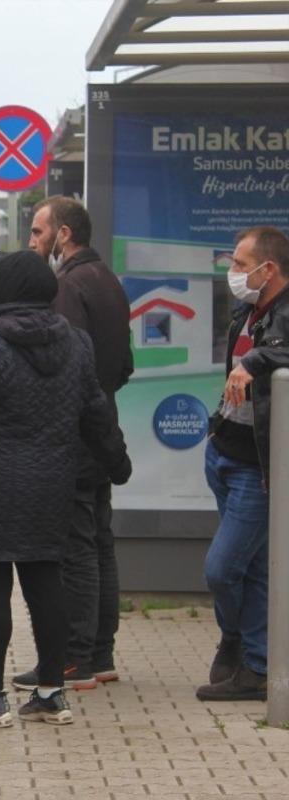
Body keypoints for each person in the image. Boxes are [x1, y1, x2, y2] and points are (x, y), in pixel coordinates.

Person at [0, 250, 131, 727]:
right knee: (45, 585)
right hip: (51, 485)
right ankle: (51, 693)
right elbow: (96, 413)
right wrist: (117, 464)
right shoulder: (77, 344)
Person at [18, 196, 133, 691]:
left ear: (64, 235)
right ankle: (101, 652)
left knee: (76, 547)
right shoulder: (107, 279)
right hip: (103, 425)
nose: (32, 241)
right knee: (99, 541)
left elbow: (66, 365)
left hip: (76, 434)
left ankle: (74, 658)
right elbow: (122, 366)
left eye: (39, 232)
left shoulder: (67, 285)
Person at [197, 226, 289, 703]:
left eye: (238, 263)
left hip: (258, 467)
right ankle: (256, 666)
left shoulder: (285, 315)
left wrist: (256, 360)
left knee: (222, 568)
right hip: (225, 454)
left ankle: (234, 640)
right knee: (251, 568)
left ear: (266, 269)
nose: (232, 272)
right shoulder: (247, 311)